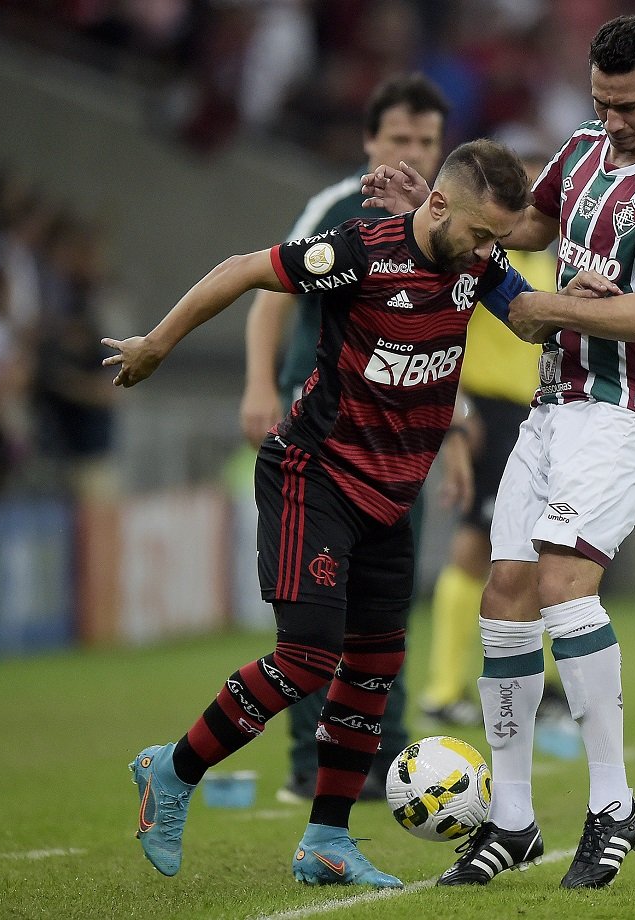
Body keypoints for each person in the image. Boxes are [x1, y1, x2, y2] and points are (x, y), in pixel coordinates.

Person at [105, 139, 616, 887]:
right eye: (479, 235)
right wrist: (158, 343)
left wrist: (587, 297)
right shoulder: (359, 253)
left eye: (495, 242)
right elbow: (245, 271)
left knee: (374, 669)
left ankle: (326, 840)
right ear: (438, 205)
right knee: (308, 658)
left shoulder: (476, 263)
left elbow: (531, 320)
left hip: (391, 498)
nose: (484, 252)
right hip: (315, 477)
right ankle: (172, 771)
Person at [363, 15, 635, 889]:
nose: (612, 119)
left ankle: (613, 806)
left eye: (627, 105)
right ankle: (514, 821)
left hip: (627, 406)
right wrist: (439, 214)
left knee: (564, 583)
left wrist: (557, 308)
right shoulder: (585, 147)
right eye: (600, 101)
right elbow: (525, 226)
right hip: (555, 402)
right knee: (506, 591)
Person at [240, 73, 449, 804]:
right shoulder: (334, 208)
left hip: (399, 452)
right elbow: (269, 290)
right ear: (370, 141)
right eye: (400, 138)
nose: (413, 151)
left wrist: (464, 428)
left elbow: (442, 333)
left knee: (386, 609)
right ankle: (308, 761)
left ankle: (384, 758)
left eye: (426, 140)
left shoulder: (440, 224)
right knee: (315, 618)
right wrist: (258, 384)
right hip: (324, 441)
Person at [419, 151, 569, 726]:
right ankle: (443, 688)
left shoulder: (552, 261)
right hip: (484, 408)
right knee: (475, 544)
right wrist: (457, 409)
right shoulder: (480, 257)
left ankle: (534, 679)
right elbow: (445, 326)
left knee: (534, 544)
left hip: (535, 411)